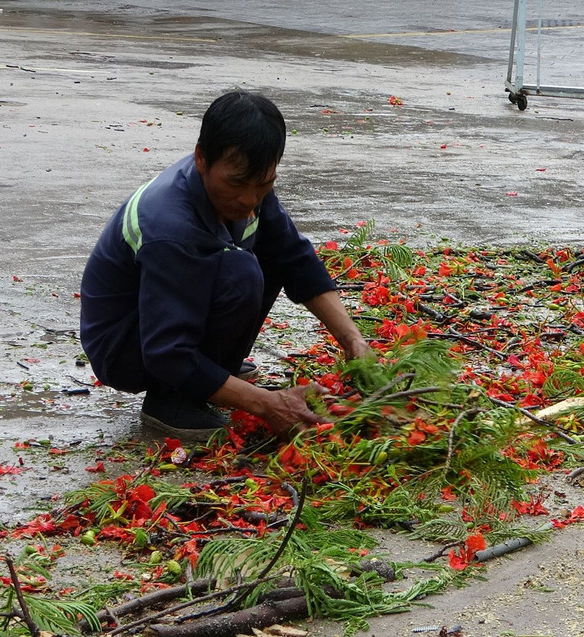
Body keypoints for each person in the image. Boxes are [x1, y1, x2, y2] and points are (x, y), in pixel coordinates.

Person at [79, 91, 371, 441]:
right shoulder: (169, 227)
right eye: (236, 183)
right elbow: (165, 352)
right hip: (125, 348)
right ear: (201, 158)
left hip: (163, 318)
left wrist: (353, 341)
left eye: (263, 184)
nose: (249, 199)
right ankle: (171, 400)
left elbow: (295, 258)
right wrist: (267, 404)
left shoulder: (249, 184)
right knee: (240, 273)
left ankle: (212, 372)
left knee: (269, 253)